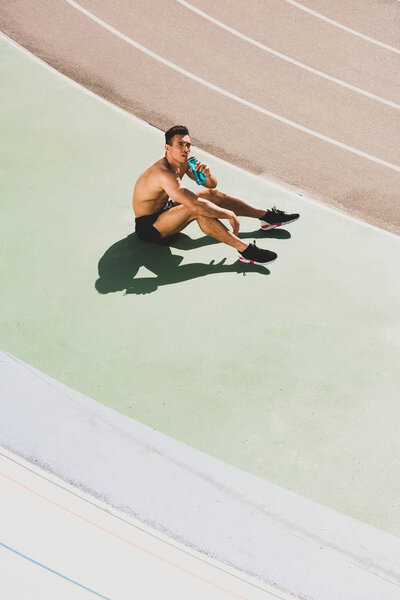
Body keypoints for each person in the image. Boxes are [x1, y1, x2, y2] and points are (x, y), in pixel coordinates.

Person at [132, 125, 299, 265]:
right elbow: (195, 205)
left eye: (188, 145)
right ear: (167, 148)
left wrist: (207, 174)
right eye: (180, 145)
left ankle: (267, 217)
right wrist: (228, 214)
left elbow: (212, 186)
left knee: (212, 195)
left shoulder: (184, 162)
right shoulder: (162, 173)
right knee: (196, 209)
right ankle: (245, 251)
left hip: (166, 211)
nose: (186, 149)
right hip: (150, 227)